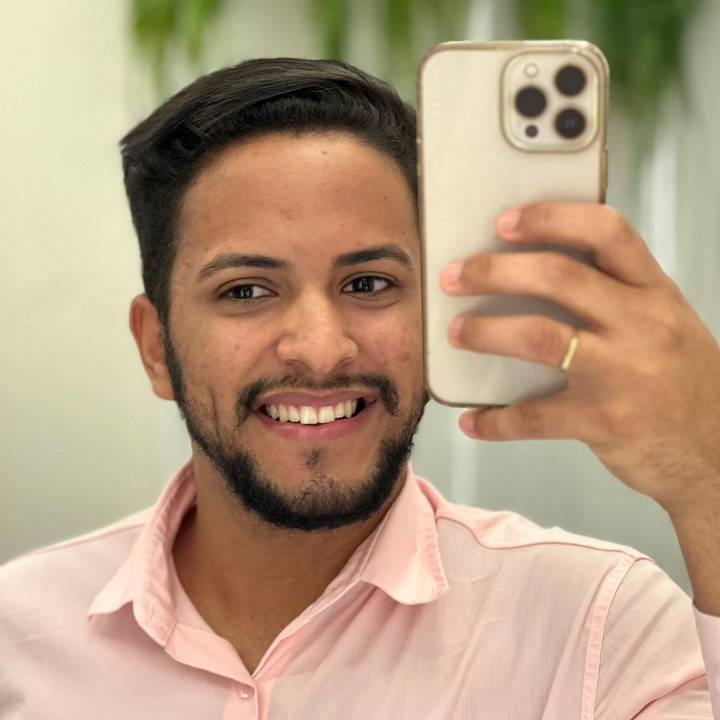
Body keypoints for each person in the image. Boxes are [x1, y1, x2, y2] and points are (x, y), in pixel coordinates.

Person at [1, 57, 719, 719]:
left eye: (368, 283)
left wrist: (708, 475)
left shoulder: (599, 627)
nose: (321, 350)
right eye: (246, 290)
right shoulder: (17, 634)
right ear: (157, 347)